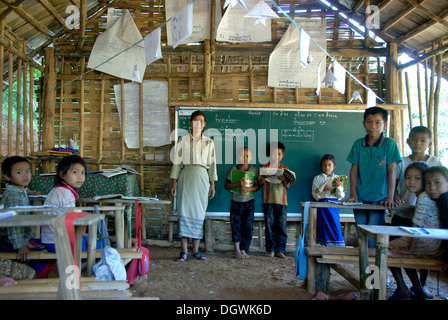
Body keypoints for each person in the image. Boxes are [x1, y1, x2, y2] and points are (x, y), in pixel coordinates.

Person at [388, 165, 448, 300]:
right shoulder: (428, 197)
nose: (411, 182)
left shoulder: (424, 198)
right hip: (433, 241)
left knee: (385, 250)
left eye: (417, 178)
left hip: (429, 243)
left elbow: (417, 225)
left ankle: (403, 289)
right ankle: (418, 289)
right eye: (408, 178)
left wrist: (410, 249)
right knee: (399, 247)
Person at [345, 106, 402, 247]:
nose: (373, 126)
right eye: (369, 122)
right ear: (363, 123)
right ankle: (364, 266)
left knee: (373, 234)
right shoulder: (358, 144)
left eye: (378, 122)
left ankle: (372, 266)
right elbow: (353, 170)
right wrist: (353, 194)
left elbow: (392, 171)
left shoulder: (390, 144)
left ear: (385, 124)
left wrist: (390, 197)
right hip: (361, 198)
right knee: (362, 233)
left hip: (380, 199)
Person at [170, 110, 217, 262]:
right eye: (195, 120)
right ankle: (184, 252)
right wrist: (174, 183)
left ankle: (195, 250)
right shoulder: (182, 141)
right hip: (186, 178)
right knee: (184, 211)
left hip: (202, 179)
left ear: (204, 124)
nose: (198, 123)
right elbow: (177, 163)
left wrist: (212, 184)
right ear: (190, 123)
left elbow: (212, 165)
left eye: (201, 121)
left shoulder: (209, 142)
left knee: (198, 213)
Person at [41, 155, 92, 252]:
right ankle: (81, 266)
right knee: (101, 244)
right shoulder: (65, 193)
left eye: (83, 173)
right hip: (60, 243)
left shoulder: (58, 190)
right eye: (75, 172)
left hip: (49, 241)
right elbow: (70, 222)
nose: (80, 176)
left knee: (88, 240)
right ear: (62, 174)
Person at [393, 126, 442, 227]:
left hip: (427, 215)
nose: (418, 143)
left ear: (429, 144)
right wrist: (395, 198)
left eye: (423, 140)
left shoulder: (434, 162)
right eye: (414, 139)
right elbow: (393, 184)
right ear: (408, 141)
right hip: (403, 211)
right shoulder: (401, 162)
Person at [0, 156, 45, 261]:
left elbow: (25, 191)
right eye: (19, 173)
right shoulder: (14, 196)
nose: (26, 175)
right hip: (10, 241)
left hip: (17, 238)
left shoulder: (18, 190)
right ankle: (34, 275)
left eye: (28, 171)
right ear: (7, 176)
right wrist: (20, 245)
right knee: (45, 255)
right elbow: (13, 223)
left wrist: (32, 193)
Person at [257, 141, 294, 259]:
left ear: (282, 155)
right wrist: (264, 177)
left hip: (282, 202)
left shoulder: (285, 169)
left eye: (278, 154)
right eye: (273, 154)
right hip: (268, 201)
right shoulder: (264, 167)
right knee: (269, 226)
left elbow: (288, 186)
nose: (275, 156)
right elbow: (258, 183)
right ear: (269, 155)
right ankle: (270, 249)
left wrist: (284, 179)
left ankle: (280, 250)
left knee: (281, 226)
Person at [225, 147, 259, 259]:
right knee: (236, 225)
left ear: (251, 158)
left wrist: (248, 189)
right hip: (236, 202)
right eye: (241, 156)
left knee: (248, 226)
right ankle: (237, 250)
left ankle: (244, 249)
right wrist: (237, 184)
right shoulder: (233, 170)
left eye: (247, 156)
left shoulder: (254, 170)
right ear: (237, 157)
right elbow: (227, 185)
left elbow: (257, 186)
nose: (244, 158)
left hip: (249, 202)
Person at [311, 154, 345, 247]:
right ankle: (322, 246)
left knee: (335, 225)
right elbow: (315, 195)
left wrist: (338, 186)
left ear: (334, 166)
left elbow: (341, 196)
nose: (327, 167)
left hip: (333, 205)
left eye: (329, 165)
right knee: (322, 226)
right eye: (324, 165)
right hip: (321, 206)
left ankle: (337, 247)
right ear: (321, 166)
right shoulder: (317, 178)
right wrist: (323, 188)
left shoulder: (339, 178)